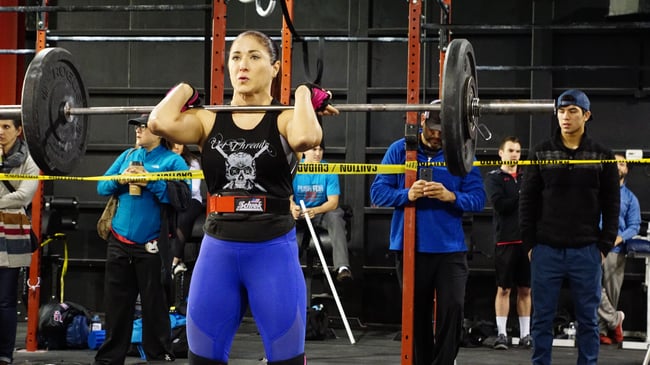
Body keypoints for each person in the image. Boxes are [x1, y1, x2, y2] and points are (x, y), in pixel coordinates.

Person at [147, 30, 339, 365]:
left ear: (275, 67)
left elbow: (309, 136)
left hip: (272, 251)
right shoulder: (209, 119)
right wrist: (187, 90)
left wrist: (304, 93)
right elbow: (159, 121)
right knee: (202, 358)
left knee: (286, 360)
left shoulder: (284, 117)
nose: (242, 65)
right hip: (218, 248)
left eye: (254, 56)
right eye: (236, 57)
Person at [369, 102, 486, 365]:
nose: (436, 136)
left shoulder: (461, 154)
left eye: (442, 132)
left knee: (453, 308)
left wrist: (451, 196)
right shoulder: (400, 150)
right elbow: (377, 193)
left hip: (450, 249)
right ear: (421, 123)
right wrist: (407, 195)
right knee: (416, 315)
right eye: (432, 130)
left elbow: (479, 198)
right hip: (410, 247)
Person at [520, 89, 620, 365]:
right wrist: (530, 246)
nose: (565, 116)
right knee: (542, 320)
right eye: (561, 111)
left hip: (586, 251)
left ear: (586, 115)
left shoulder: (603, 155)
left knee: (588, 321)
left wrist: (603, 246)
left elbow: (612, 206)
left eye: (572, 111)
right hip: (546, 251)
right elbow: (527, 202)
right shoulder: (540, 152)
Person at [94, 114, 189, 365]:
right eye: (136, 126)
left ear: (159, 132)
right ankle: (110, 358)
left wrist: (150, 182)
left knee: (154, 306)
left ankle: (158, 357)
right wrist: (121, 178)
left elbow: (182, 199)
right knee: (116, 306)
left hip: (152, 245)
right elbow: (101, 187)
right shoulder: (126, 156)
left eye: (144, 127)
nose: (138, 130)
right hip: (119, 242)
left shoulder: (173, 161)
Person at [484, 136, 531, 350]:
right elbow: (500, 205)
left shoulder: (526, 176)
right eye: (511, 150)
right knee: (504, 289)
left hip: (527, 242)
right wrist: (522, 197)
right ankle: (502, 334)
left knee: (526, 289)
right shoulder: (493, 178)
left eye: (518, 151)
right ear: (501, 153)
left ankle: (525, 335)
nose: (515, 155)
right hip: (505, 240)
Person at [0, 118, 39, 365]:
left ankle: (4, 353)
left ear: (18, 130)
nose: (1, 132)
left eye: (6, 127)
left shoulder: (29, 160)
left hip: (12, 232)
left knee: (5, 299)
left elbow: (24, 195)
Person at [290, 142, 352, 282]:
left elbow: (333, 202)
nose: (318, 153)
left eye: (320, 150)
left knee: (336, 215)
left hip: (321, 213)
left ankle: (342, 267)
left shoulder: (328, 169)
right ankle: (286, 271)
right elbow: (287, 198)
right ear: (304, 151)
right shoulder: (295, 170)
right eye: (314, 150)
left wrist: (315, 210)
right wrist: (292, 207)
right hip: (299, 214)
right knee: (284, 218)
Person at [598, 153, 640, 345]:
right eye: (614, 163)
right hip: (593, 246)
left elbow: (635, 226)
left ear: (626, 169)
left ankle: (603, 330)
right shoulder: (598, 192)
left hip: (615, 249)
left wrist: (619, 238)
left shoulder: (631, 198)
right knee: (589, 286)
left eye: (621, 163)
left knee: (611, 291)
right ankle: (616, 320)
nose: (617, 166)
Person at [170, 143, 204, 276]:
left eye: (179, 143)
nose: (176, 147)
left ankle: (175, 261)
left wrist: (173, 186)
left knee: (184, 218)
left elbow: (194, 189)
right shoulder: (165, 161)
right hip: (172, 201)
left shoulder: (193, 162)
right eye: (172, 145)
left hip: (192, 200)